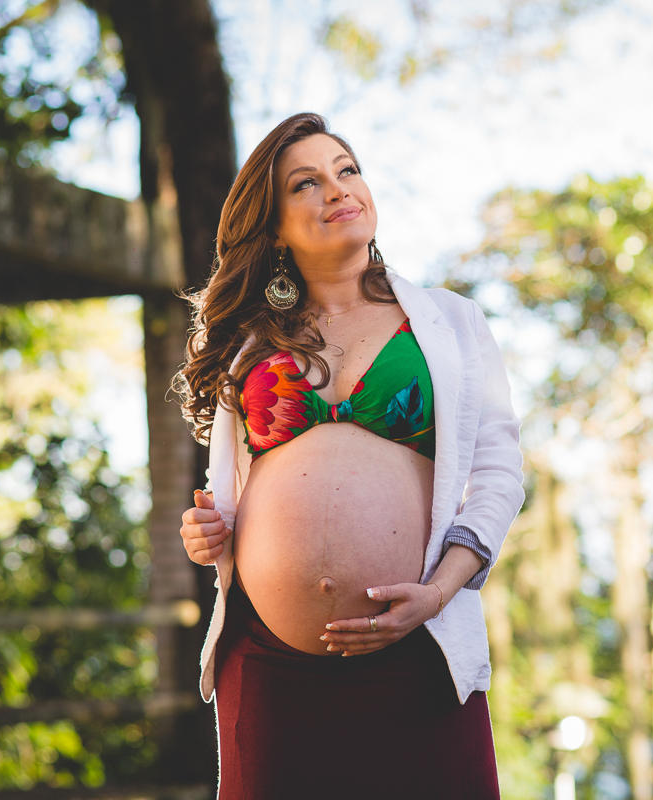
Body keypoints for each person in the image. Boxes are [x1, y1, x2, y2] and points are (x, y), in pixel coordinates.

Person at [175, 112, 524, 799]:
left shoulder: (452, 324)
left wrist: (438, 593)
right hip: (272, 667)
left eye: (347, 170)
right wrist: (208, 535)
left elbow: (497, 471)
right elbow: (237, 491)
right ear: (274, 226)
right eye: (307, 183)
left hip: (417, 649)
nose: (337, 190)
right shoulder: (246, 343)